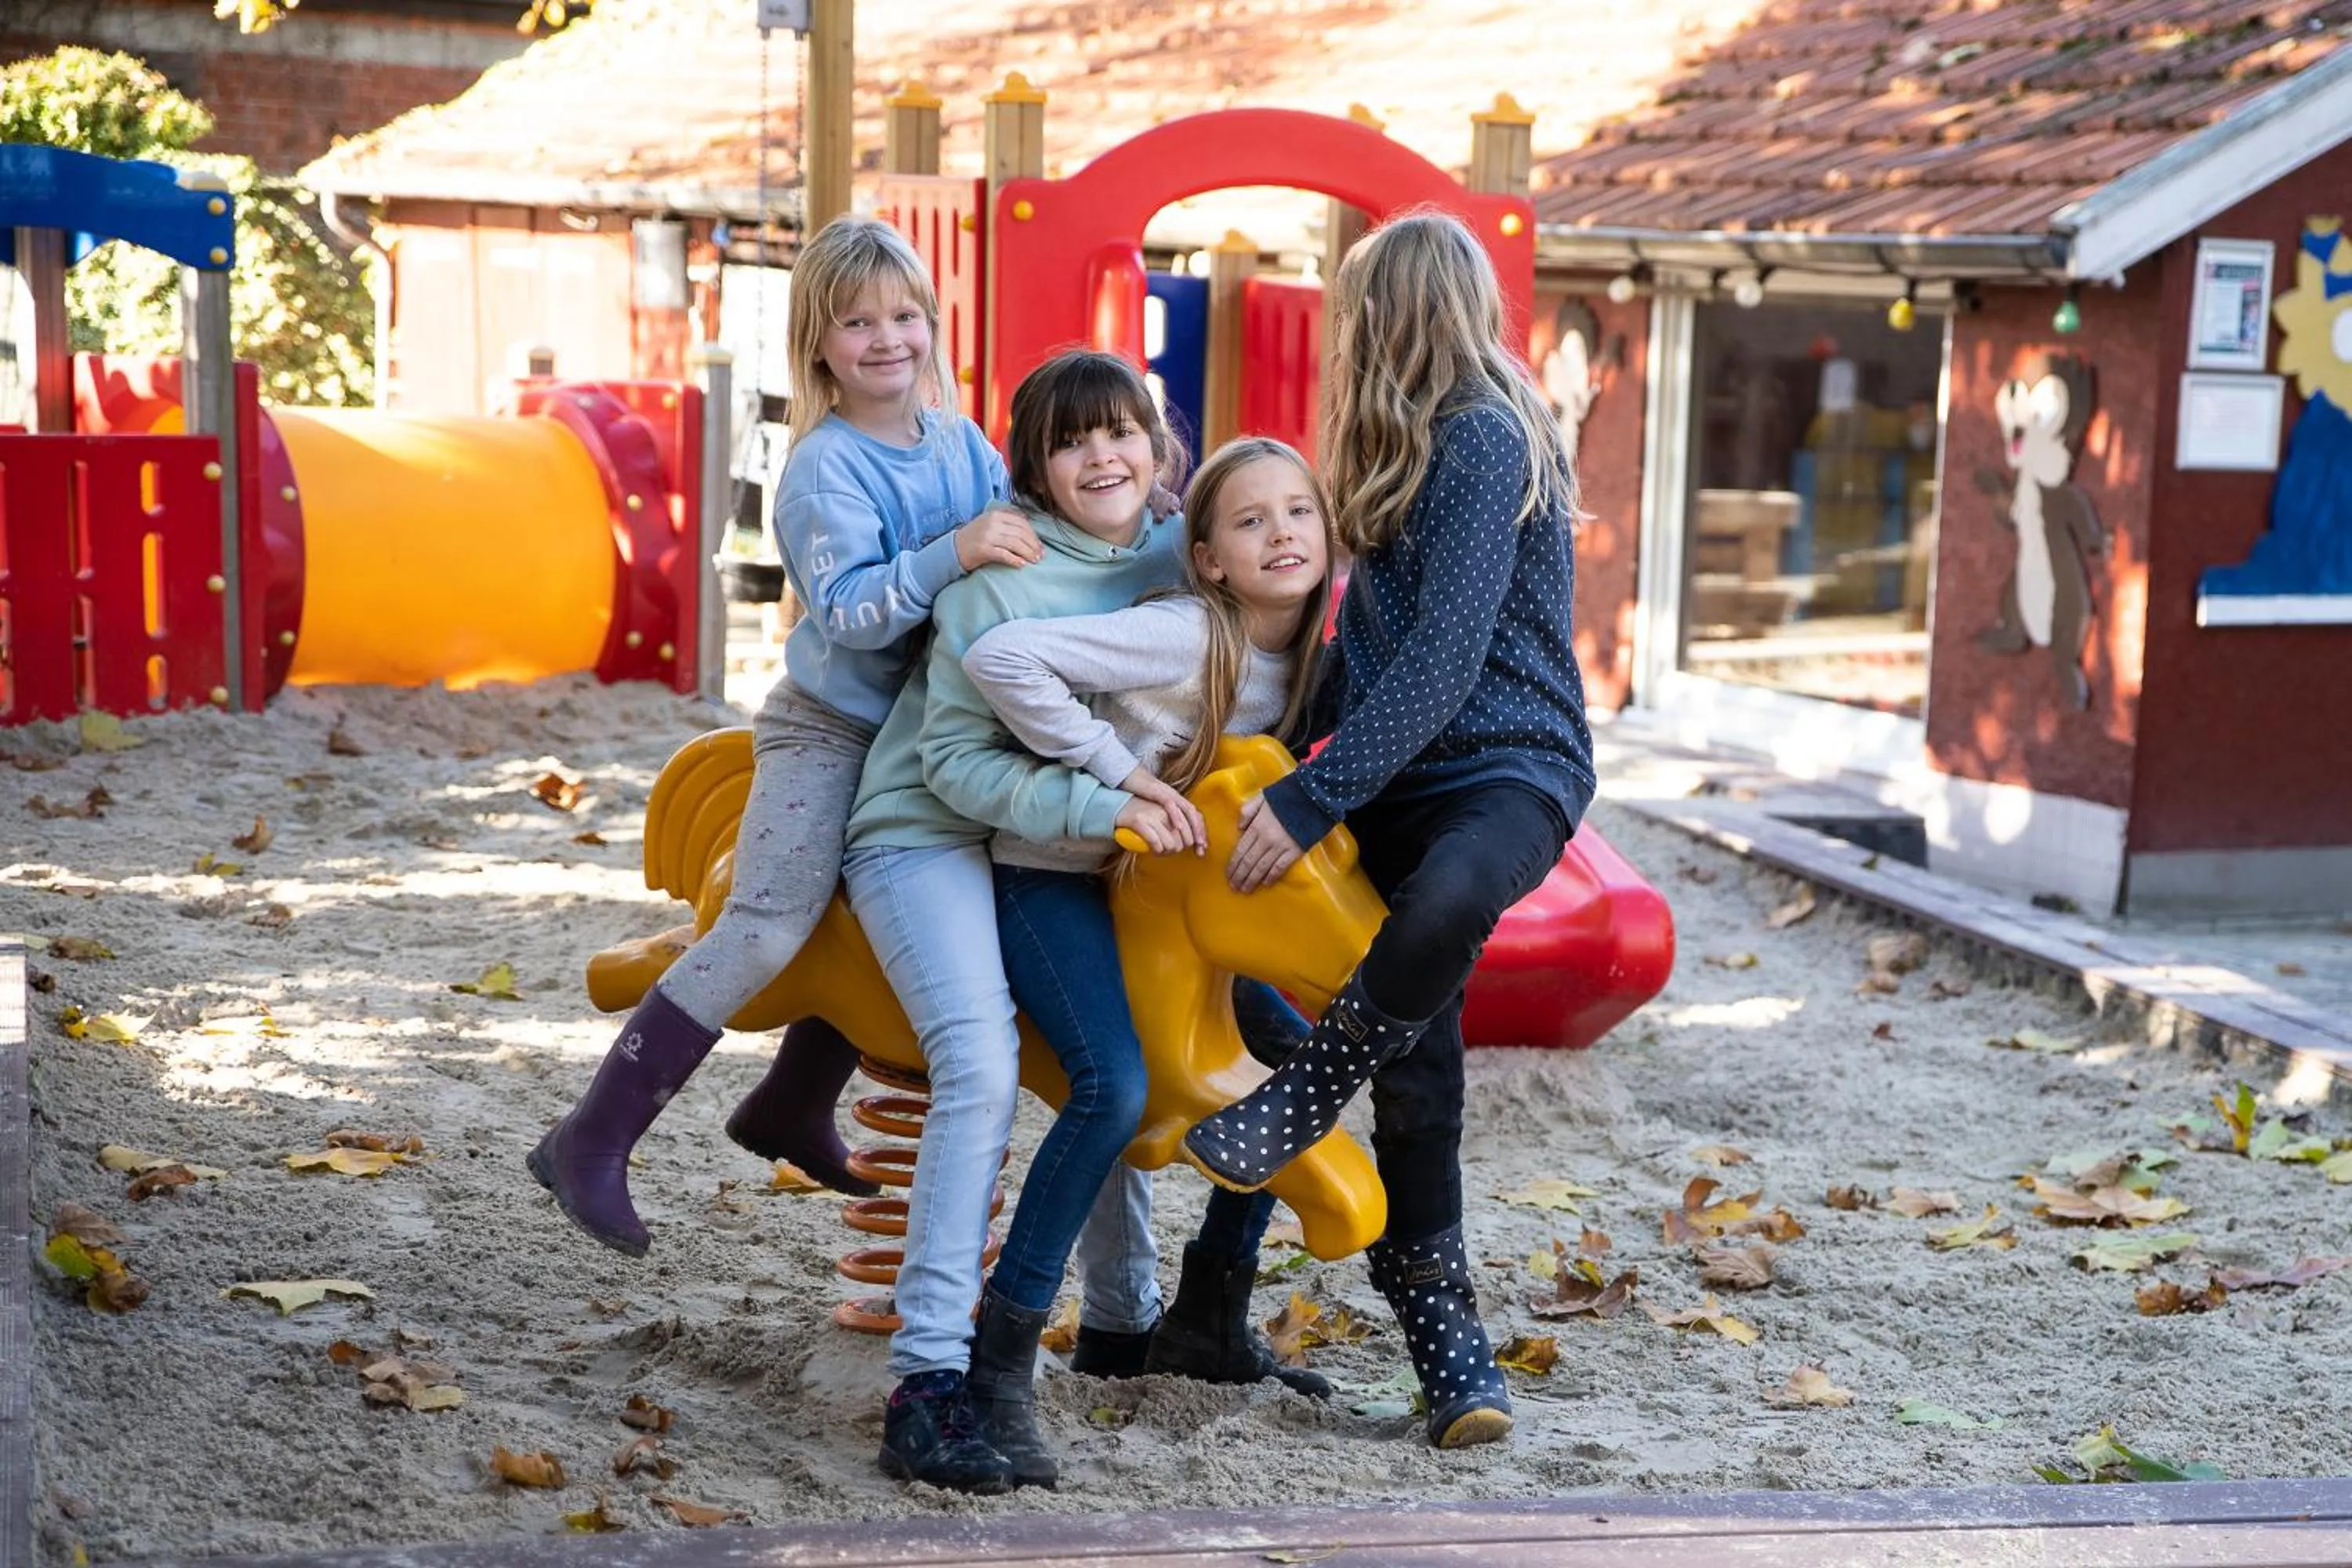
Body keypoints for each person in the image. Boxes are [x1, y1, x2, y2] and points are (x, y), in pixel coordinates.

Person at [527, 215, 1040, 1255]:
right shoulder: (823, 468)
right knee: (769, 922)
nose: (887, 338)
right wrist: (956, 552)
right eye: (859, 322)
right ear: (819, 344)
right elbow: (849, 610)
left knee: (885, 914)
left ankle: (790, 1102)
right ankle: (592, 1135)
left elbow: (1016, 544)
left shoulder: (964, 443)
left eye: (904, 315)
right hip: (832, 730)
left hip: (928, 728)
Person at [1181, 212, 1596, 1451]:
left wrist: (1312, 794)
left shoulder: (1483, 432)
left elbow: (1451, 653)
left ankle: (1306, 1094)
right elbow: (1366, 642)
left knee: (1452, 902)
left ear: (1386, 319)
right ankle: (1447, 1354)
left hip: (1512, 766)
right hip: (1403, 778)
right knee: (1421, 1063)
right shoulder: (1389, 449)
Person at [838, 349, 1203, 1493]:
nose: (1103, 454)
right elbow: (952, 765)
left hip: (1065, 840)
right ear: (1036, 472)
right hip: (929, 825)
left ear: (1156, 445)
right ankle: (933, 1383)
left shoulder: (1169, 549)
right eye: (1071, 440)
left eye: (1123, 431)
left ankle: (1136, 1312)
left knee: (1124, 1048)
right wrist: (1113, 803)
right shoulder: (1001, 579)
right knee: (984, 1064)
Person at [946, 434, 1340, 1487]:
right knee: (1114, 1089)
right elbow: (1003, 660)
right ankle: (997, 1369)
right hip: (1053, 873)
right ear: (1205, 558)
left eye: (1297, 512)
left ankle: (1208, 1315)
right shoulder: (1182, 636)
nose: (1281, 534)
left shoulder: (1314, 654)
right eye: (1249, 521)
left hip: (1151, 905)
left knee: (1299, 1063)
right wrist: (1119, 776)